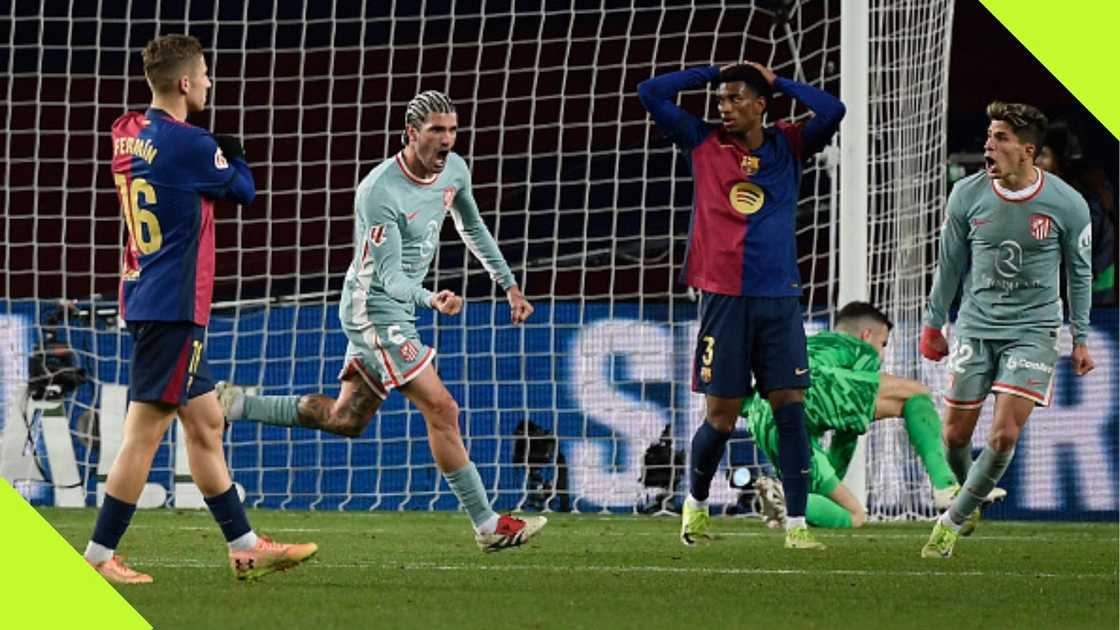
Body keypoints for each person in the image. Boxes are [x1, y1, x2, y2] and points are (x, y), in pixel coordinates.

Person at [217, 90, 546, 552]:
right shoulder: (379, 191)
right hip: (373, 305)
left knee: (345, 418)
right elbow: (388, 276)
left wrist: (508, 284)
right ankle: (488, 526)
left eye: (452, 129)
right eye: (436, 130)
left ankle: (231, 405)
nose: (447, 140)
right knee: (442, 407)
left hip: (399, 306)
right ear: (412, 134)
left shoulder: (455, 170)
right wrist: (431, 299)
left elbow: (472, 227)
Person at [85, 34, 317, 584]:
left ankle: (245, 546)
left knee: (207, 423)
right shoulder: (189, 145)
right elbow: (245, 191)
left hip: (145, 290)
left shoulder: (125, 132)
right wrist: (230, 150)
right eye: (206, 75)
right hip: (173, 305)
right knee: (144, 433)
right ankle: (97, 557)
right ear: (186, 83)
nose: (210, 83)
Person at [638, 62, 845, 549]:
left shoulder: (789, 144)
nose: (724, 108)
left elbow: (834, 109)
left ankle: (796, 525)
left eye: (735, 99)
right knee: (722, 417)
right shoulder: (703, 140)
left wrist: (777, 81)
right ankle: (695, 504)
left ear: (760, 106)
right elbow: (650, 92)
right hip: (723, 299)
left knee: (789, 407)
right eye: (721, 99)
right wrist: (712, 74)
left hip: (779, 297)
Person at [919, 101, 1095, 559]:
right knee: (955, 436)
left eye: (1001, 139)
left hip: (1033, 330)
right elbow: (950, 265)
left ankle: (950, 524)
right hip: (976, 326)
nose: (988, 145)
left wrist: (1079, 337)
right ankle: (969, 495)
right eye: (989, 135)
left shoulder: (1066, 203)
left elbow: (1079, 273)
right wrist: (933, 324)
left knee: (1003, 436)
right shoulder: (966, 196)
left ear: (1028, 151)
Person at [743, 302, 1004, 529]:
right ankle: (945, 485)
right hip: (808, 389)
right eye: (883, 344)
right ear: (867, 335)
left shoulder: (813, 344)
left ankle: (784, 499)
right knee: (915, 393)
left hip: (762, 411)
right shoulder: (858, 349)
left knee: (854, 514)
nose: (881, 354)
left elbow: (847, 433)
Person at [1036, 121, 1117, 306]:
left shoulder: (1085, 201)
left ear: (1062, 159)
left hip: (1092, 303)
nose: (1036, 163)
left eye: (1043, 155)